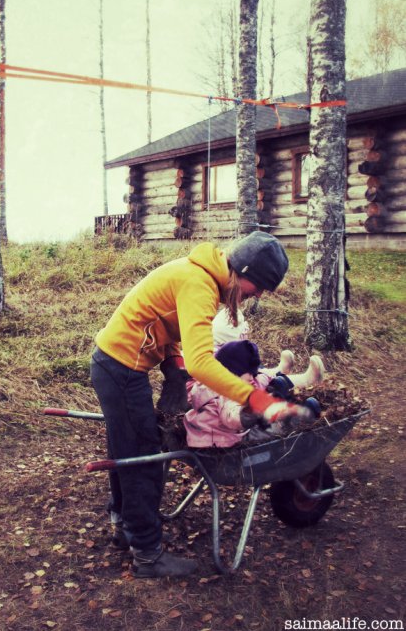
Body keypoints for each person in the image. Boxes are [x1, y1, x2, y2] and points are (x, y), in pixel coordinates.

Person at [90, 231, 313, 579]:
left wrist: (174, 370)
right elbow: (202, 362)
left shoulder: (199, 275)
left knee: (128, 450)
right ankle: (147, 555)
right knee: (142, 459)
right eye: (259, 287)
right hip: (120, 368)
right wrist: (256, 398)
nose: (257, 296)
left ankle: (123, 526)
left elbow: (168, 328)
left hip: (116, 364)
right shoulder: (200, 285)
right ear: (245, 272)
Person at [184, 340, 325, 448]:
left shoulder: (221, 380)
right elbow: (232, 417)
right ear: (233, 372)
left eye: (254, 372)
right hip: (223, 441)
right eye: (249, 372)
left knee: (266, 380)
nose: (252, 377)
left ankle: (298, 377)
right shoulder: (226, 393)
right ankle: (300, 418)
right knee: (271, 429)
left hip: (216, 435)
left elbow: (255, 377)